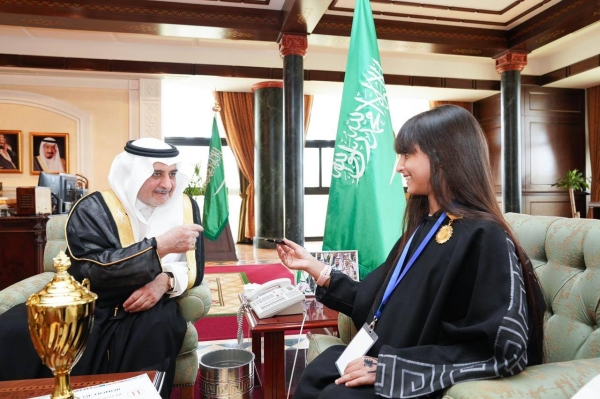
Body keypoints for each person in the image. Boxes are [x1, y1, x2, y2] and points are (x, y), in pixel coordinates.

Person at [276, 105, 545, 399]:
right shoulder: (423, 227)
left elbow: (503, 348)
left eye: (407, 154)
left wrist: (394, 368)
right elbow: (378, 298)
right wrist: (315, 267)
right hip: (388, 354)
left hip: (421, 373)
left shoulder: (485, 235)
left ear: (443, 156)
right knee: (321, 370)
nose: (399, 166)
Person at [0, 138, 205, 399]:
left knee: (158, 328)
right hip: (93, 302)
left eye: (172, 174)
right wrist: (159, 247)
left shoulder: (186, 206)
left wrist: (164, 281)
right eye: (156, 174)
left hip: (148, 305)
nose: (167, 184)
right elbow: (93, 270)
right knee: (12, 330)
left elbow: (194, 265)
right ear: (133, 174)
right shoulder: (92, 208)